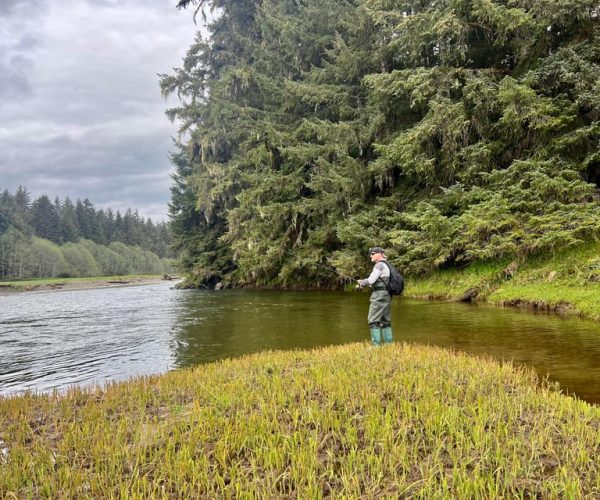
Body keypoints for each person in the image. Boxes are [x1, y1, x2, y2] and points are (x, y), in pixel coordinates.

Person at [356, 247, 393, 346]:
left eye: (372, 253)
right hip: (386, 295)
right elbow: (377, 281)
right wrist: (365, 281)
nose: (370, 256)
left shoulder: (379, 265)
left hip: (379, 296)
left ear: (380, 254)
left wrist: (362, 283)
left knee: (373, 320)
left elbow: (371, 280)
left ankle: (376, 347)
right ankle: (389, 345)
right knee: (385, 320)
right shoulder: (387, 264)